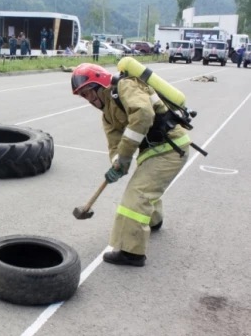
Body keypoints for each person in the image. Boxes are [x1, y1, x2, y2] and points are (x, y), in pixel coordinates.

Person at [71, 61, 192, 267]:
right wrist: (117, 165)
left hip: (171, 149)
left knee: (136, 196)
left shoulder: (126, 86)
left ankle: (131, 252)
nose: (89, 99)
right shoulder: (107, 114)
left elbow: (143, 115)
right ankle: (154, 221)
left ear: (100, 83)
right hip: (152, 151)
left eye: (89, 91)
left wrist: (125, 154)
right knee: (144, 186)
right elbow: (115, 143)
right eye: (83, 96)